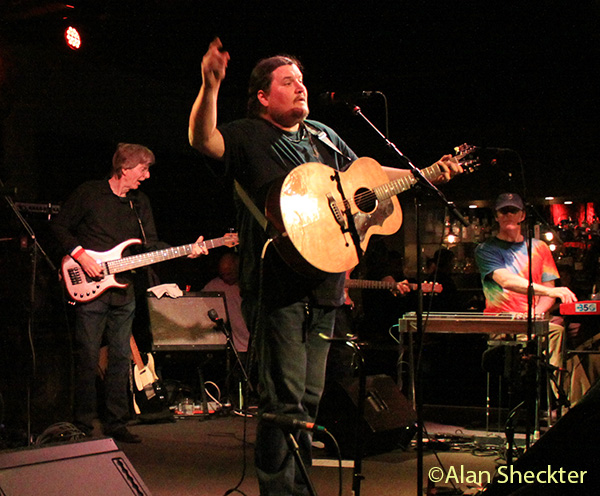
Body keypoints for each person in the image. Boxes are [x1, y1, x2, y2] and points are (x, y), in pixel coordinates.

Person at [188, 38, 463, 494]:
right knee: (283, 403)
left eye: (302, 80)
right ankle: (283, 491)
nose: (300, 87)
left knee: (309, 402)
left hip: (327, 288)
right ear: (262, 96)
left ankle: (298, 486)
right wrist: (210, 84)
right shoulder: (246, 134)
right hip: (277, 286)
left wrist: (427, 173)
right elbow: (203, 139)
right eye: (287, 81)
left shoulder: (323, 136)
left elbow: (370, 186)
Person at [51, 143, 208, 444]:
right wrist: (81, 256)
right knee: (87, 355)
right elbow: (59, 227)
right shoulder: (89, 193)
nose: (146, 176)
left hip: (124, 290)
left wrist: (186, 251)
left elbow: (150, 247)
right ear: (125, 169)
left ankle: (116, 422)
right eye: (143, 169)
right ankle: (82, 423)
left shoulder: (140, 203)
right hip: (89, 286)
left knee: (121, 357)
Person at [474, 192, 577, 407]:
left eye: (513, 210)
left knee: (563, 335)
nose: (509, 214)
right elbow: (506, 280)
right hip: (501, 321)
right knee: (554, 332)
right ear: (497, 216)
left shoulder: (539, 248)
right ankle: (550, 401)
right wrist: (550, 294)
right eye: (504, 211)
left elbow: (549, 288)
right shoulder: (485, 249)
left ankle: (553, 401)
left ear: (522, 215)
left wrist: (536, 313)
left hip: (533, 320)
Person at [201, 252, 251, 408]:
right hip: (235, 344)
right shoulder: (214, 286)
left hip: (253, 340)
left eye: (229, 273)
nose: (225, 277)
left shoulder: (248, 284)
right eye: (222, 274)